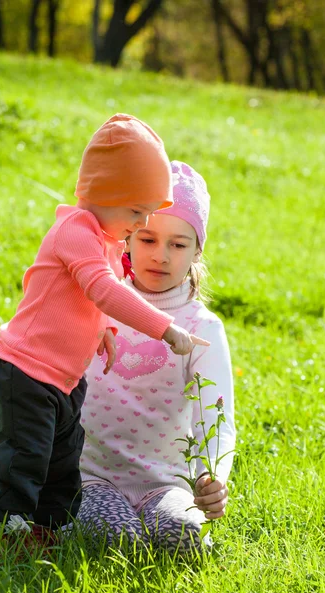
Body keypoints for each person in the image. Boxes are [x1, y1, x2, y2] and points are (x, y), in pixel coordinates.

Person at [0, 116, 210, 553]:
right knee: (24, 461)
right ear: (104, 195)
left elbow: (95, 303)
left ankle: (42, 531)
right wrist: (164, 327)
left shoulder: (108, 243)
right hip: (23, 373)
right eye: (137, 211)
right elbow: (102, 288)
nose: (141, 223)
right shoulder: (75, 231)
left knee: (61, 464)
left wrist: (106, 330)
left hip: (62, 380)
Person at [76, 160, 235, 553]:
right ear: (127, 238)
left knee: (184, 540)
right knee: (118, 540)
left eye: (178, 244)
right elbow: (46, 353)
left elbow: (216, 416)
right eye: (147, 239)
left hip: (165, 485)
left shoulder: (202, 328)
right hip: (92, 476)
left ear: (197, 249)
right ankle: (65, 519)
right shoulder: (98, 301)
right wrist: (6, 367)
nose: (161, 255)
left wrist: (212, 476)